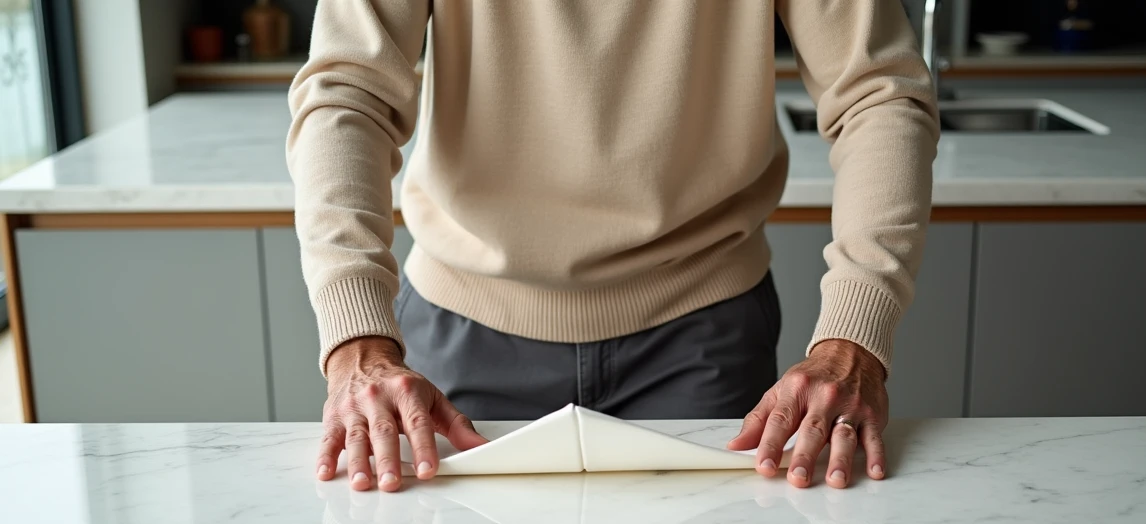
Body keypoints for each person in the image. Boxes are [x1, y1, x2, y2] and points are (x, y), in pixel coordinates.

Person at [287, 1, 938, 494]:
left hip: (701, 338)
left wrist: (854, 342)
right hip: (465, 334)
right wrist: (357, 344)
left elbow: (878, 94)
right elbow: (348, 94)